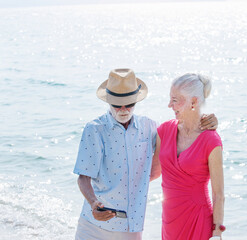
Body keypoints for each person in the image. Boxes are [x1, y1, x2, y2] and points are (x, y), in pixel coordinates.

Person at [73, 69, 218, 240]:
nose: (123, 109)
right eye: (117, 105)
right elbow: (83, 177)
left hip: (130, 228)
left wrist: (208, 119)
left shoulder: (149, 128)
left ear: (136, 100)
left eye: (129, 104)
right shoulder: (94, 129)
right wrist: (93, 203)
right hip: (92, 226)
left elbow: (182, 132)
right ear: (108, 102)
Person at [155, 73, 225, 240]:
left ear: (193, 102)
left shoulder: (211, 140)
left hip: (198, 219)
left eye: (174, 100)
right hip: (170, 222)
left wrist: (216, 232)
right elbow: (151, 172)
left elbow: (218, 194)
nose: (169, 105)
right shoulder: (164, 130)